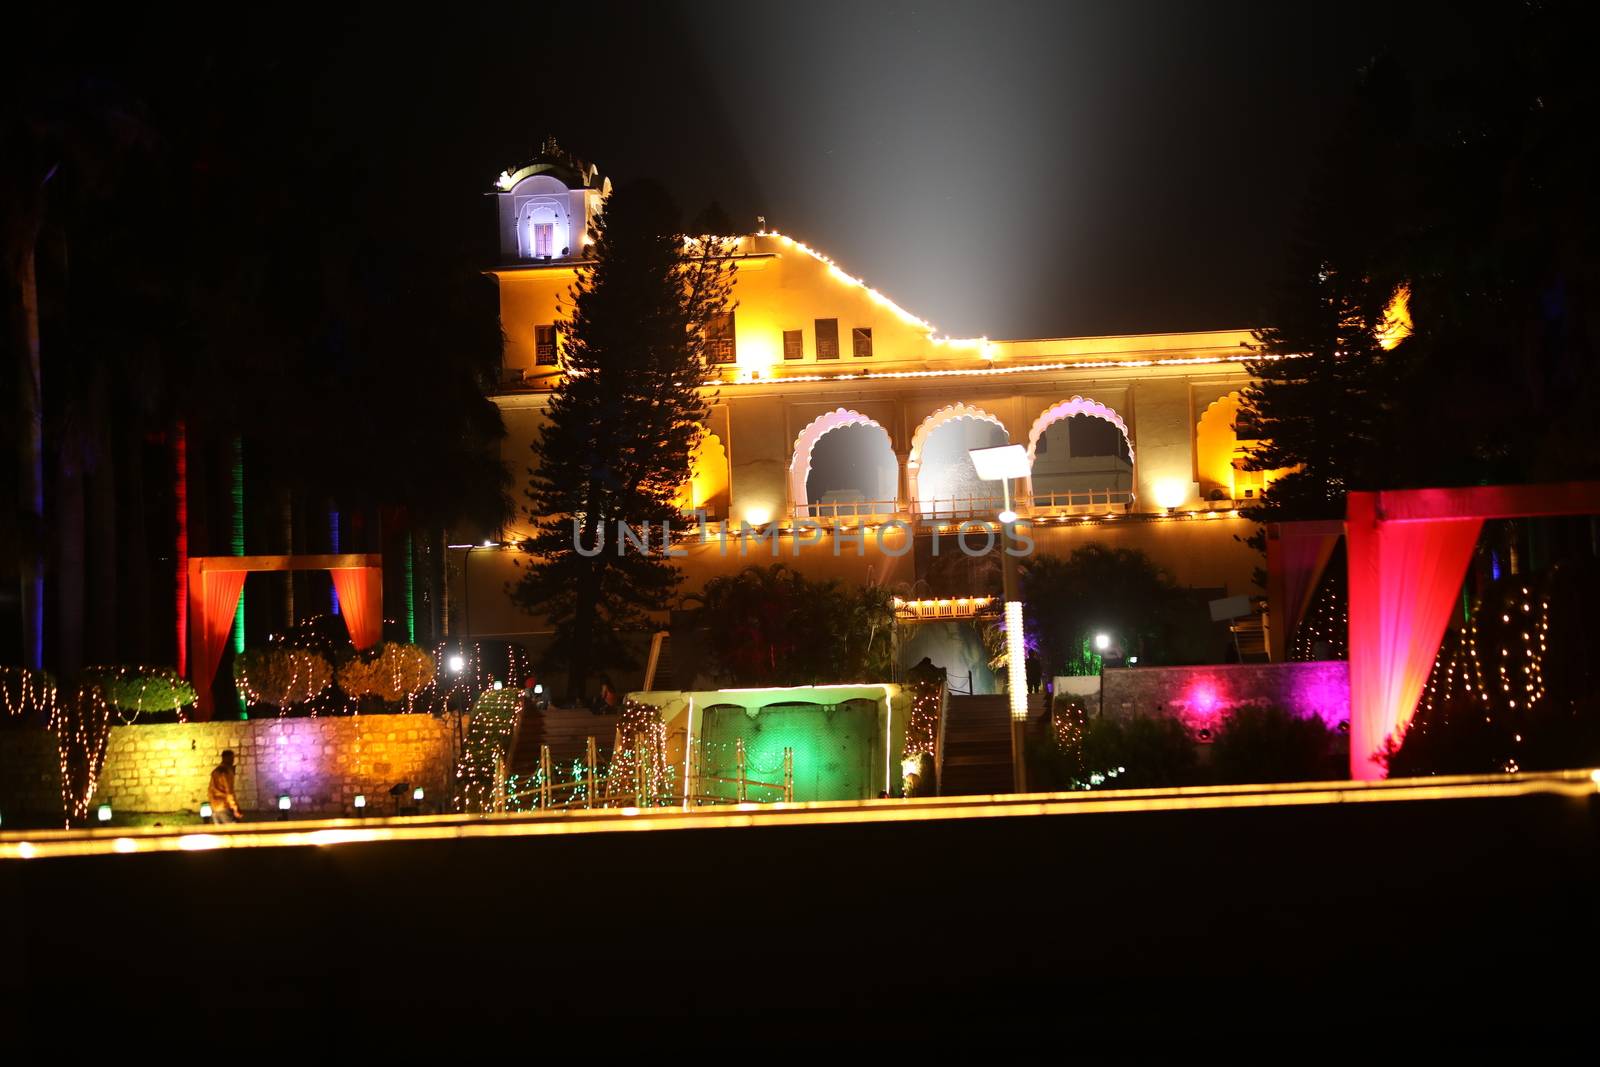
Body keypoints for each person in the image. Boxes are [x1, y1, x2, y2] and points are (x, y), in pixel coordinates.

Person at [208, 750, 243, 824]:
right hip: (224, 806)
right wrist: (235, 808)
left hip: (215, 807)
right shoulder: (226, 772)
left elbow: (210, 790)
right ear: (228, 758)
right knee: (234, 832)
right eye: (232, 758)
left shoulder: (215, 771)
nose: (233, 760)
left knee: (221, 833)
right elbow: (229, 792)